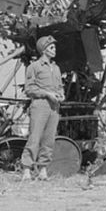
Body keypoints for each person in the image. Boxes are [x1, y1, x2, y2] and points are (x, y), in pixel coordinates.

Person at [20, 35, 64, 181]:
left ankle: (42, 169)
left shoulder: (56, 68)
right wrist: (46, 93)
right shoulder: (34, 67)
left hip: (54, 106)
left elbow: (59, 87)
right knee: (35, 137)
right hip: (40, 105)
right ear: (44, 50)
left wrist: (60, 95)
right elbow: (29, 89)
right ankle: (27, 169)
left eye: (54, 47)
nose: (54, 49)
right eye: (51, 47)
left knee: (49, 139)